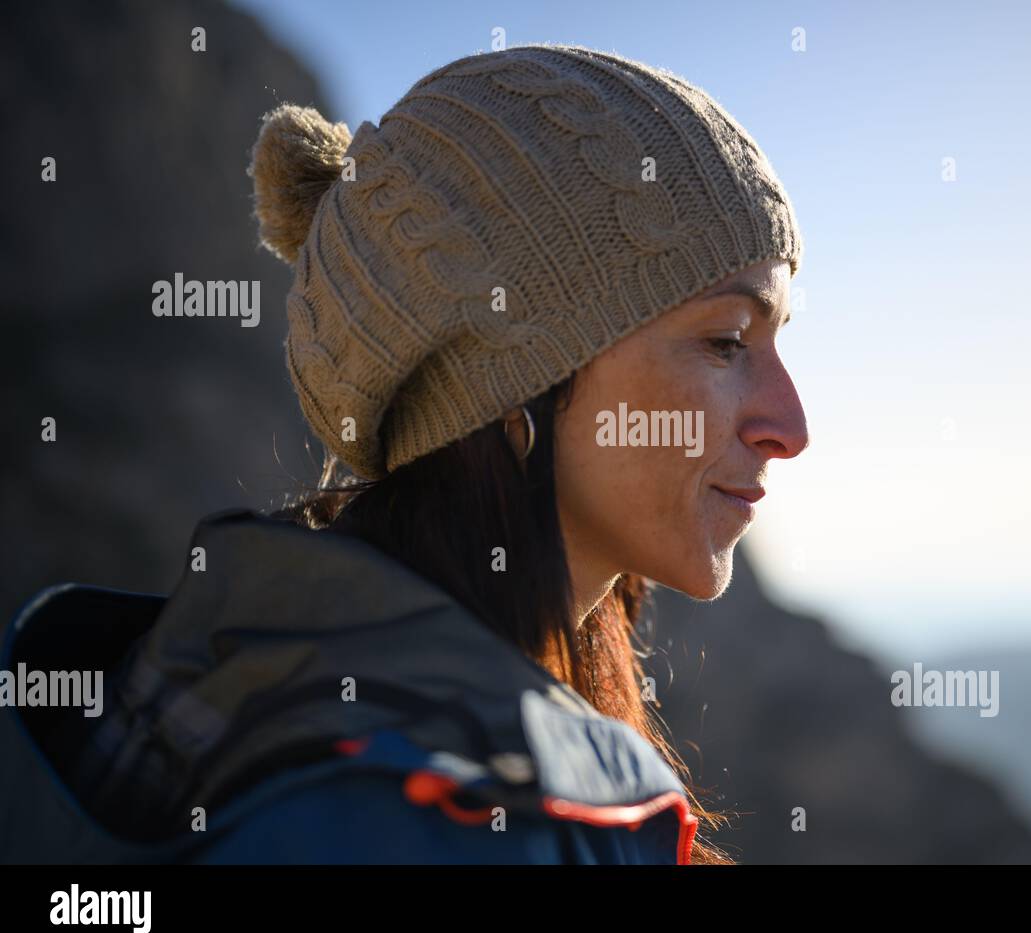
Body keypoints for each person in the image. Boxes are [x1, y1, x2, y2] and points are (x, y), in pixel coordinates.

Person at [0, 42, 807, 864]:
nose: (791, 425)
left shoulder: (220, 696)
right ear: (509, 387)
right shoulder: (452, 823)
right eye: (725, 341)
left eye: (779, 341)